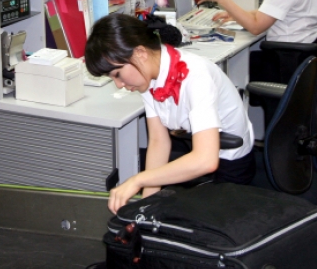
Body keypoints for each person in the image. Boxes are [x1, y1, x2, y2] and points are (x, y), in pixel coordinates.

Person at [84, 14, 254, 214]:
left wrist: (139, 180)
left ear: (139, 53)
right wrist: (146, 206)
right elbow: (158, 141)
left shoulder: (195, 75)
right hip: (197, 147)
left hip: (230, 162)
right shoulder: (148, 76)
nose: (119, 84)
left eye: (117, 74)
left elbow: (206, 160)